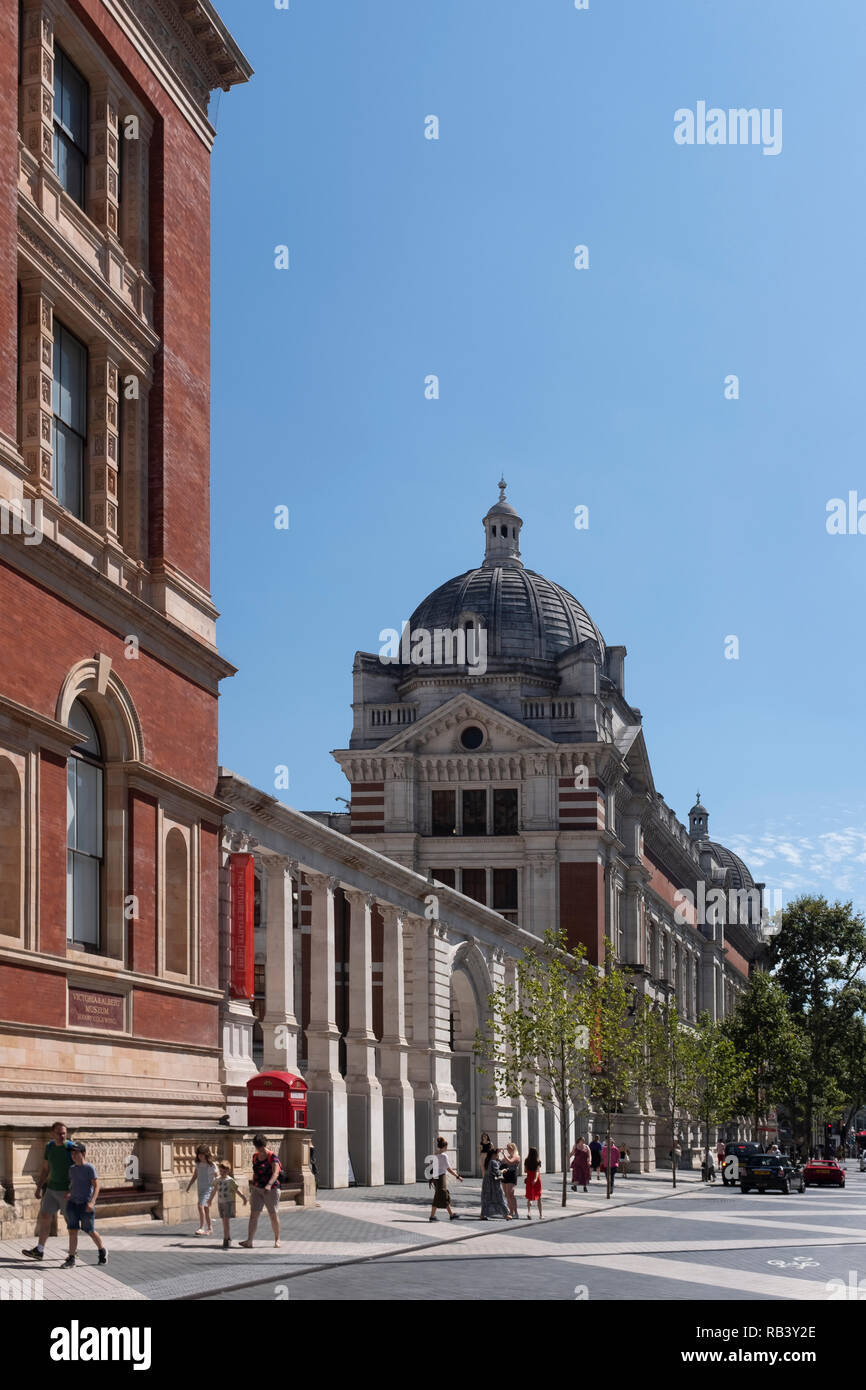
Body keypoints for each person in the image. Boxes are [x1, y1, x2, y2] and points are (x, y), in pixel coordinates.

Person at [23, 1121, 76, 1261]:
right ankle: (39, 1250)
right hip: (52, 1189)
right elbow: (45, 1169)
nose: (62, 1135)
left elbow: (80, 1169)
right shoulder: (50, 1147)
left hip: (66, 1191)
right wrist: (39, 1187)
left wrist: (72, 1189)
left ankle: (73, 1253)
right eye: (59, 1133)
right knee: (45, 1216)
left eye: (64, 1133)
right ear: (53, 1133)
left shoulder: (71, 1148)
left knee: (71, 1222)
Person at [61, 1143, 106, 1268]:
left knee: (89, 1230)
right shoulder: (72, 1169)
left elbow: (96, 1186)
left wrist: (92, 1202)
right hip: (72, 1204)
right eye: (72, 1153)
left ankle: (102, 1250)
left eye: (76, 1152)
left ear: (83, 1153)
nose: (73, 1155)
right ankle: (71, 1258)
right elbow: (73, 1184)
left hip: (86, 1205)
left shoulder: (89, 1168)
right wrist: (69, 1192)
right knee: (72, 1231)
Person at [239, 1134, 282, 1248]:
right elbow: (255, 1172)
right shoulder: (255, 1156)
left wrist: (269, 1184)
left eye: (260, 1147)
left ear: (264, 1145)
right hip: (257, 1189)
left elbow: (276, 1173)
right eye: (257, 1147)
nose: (259, 1149)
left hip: (271, 1190)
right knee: (253, 1215)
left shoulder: (272, 1156)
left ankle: (277, 1240)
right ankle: (249, 1241)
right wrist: (252, 1184)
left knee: (273, 1215)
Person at [186, 1144, 218, 1235]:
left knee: (200, 1206)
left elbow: (217, 1177)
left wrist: (217, 1187)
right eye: (198, 1154)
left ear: (206, 1154)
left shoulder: (212, 1165)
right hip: (201, 1188)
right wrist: (189, 1185)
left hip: (209, 1189)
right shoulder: (198, 1164)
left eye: (201, 1154)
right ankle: (210, 1228)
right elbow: (195, 1175)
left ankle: (201, 1227)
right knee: (206, 1209)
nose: (200, 1156)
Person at [429, 1135, 462, 1221]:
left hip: (435, 1177)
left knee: (441, 1195)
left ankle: (450, 1214)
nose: (447, 1148)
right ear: (444, 1146)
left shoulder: (435, 1154)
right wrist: (457, 1176)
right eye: (446, 1146)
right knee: (442, 1195)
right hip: (440, 1177)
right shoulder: (444, 1156)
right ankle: (434, 1216)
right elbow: (449, 1169)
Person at [215, 1160, 248, 1249]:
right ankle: (228, 1237)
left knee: (226, 1221)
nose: (222, 1173)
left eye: (224, 1171)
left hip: (228, 1203)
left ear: (228, 1171)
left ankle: (226, 1239)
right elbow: (214, 1190)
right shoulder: (217, 1180)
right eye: (221, 1171)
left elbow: (236, 1190)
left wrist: (243, 1198)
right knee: (224, 1221)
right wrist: (210, 1200)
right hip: (220, 1202)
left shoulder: (230, 1181)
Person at [480, 1147, 511, 1220]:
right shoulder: (493, 1162)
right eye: (497, 1154)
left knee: (486, 1198)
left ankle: (483, 1214)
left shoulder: (488, 1161)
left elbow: (496, 1166)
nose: (498, 1155)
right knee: (500, 1198)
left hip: (486, 1182)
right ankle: (506, 1214)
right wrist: (503, 1171)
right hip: (493, 1183)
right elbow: (497, 1172)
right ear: (494, 1154)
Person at [501, 1141, 521, 1217]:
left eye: (508, 1149)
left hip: (511, 1175)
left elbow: (510, 1162)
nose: (507, 1150)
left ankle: (515, 1212)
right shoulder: (509, 1156)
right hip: (505, 1175)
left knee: (510, 1194)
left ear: (512, 1149)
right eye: (507, 1149)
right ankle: (510, 1211)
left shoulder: (516, 1156)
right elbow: (501, 1161)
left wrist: (503, 1154)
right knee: (506, 1194)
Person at [525, 1147, 543, 1219]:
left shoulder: (526, 1160)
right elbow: (537, 1171)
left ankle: (529, 1212)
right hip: (537, 1179)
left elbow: (525, 1171)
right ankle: (541, 1215)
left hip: (529, 1178)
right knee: (539, 1197)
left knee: (529, 1197)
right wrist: (535, 1179)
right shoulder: (537, 1161)